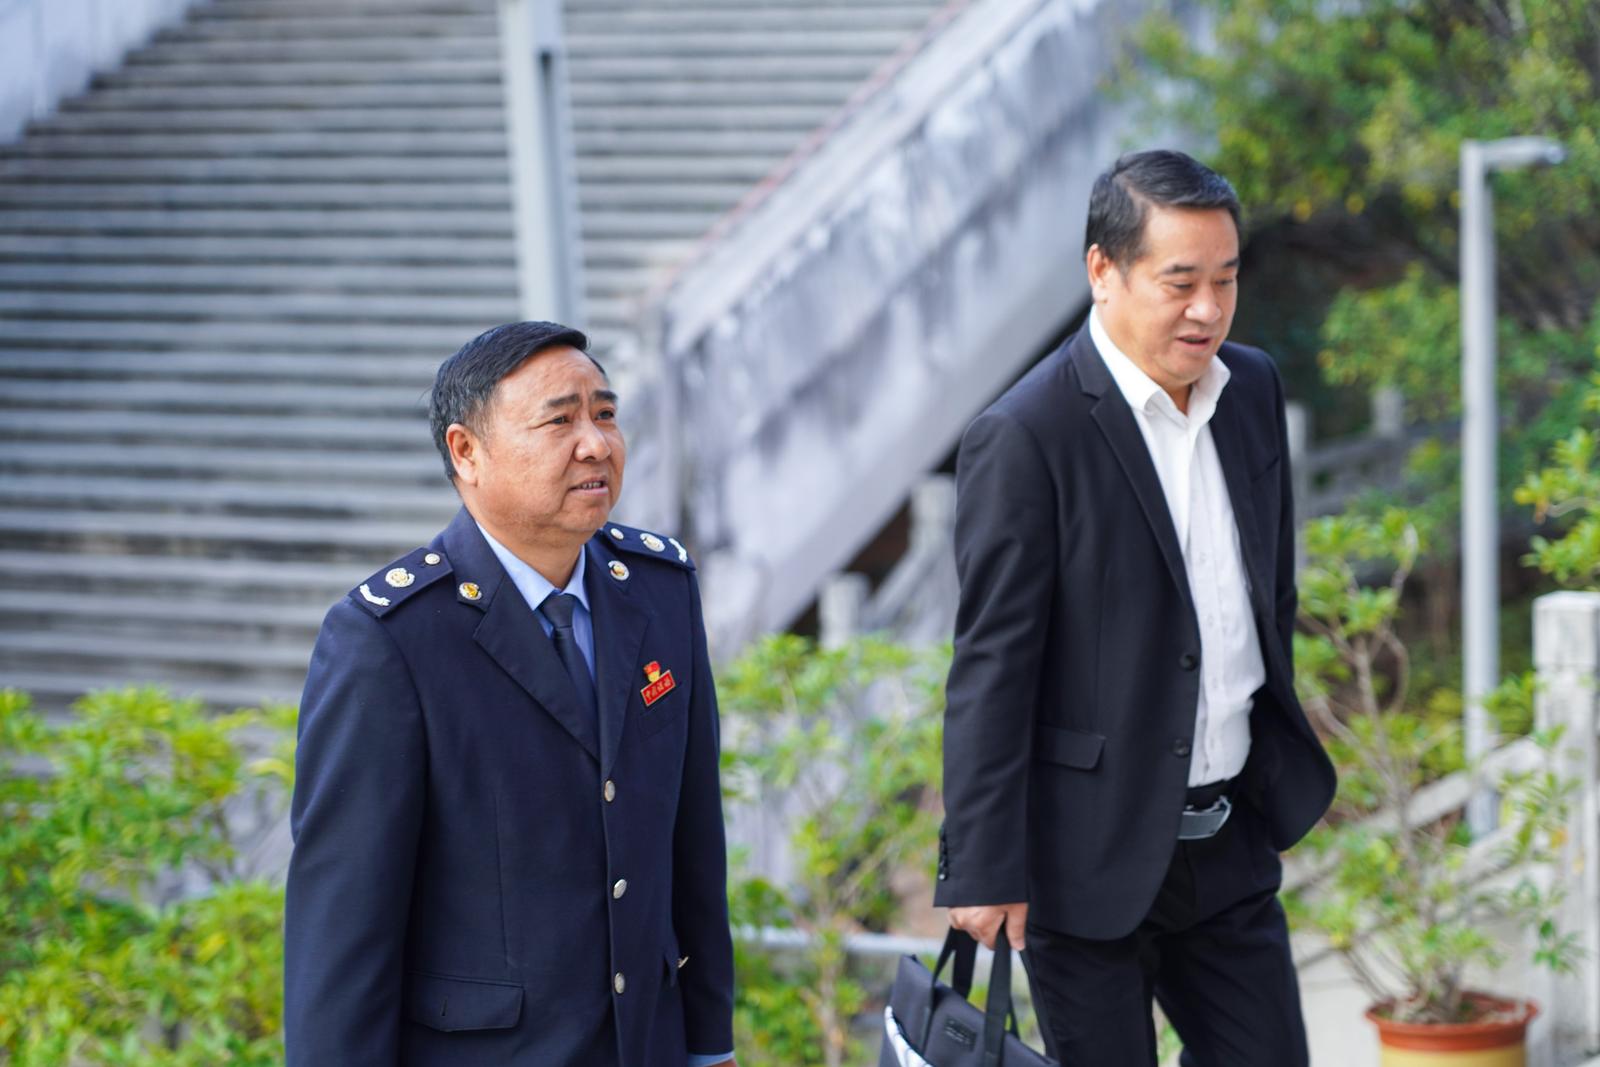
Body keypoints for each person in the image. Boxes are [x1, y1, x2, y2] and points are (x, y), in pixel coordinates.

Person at [934, 150, 1337, 1065]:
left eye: (1226, 279)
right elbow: (992, 665)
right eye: (1180, 282)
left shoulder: (1252, 389)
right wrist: (986, 865)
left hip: (1228, 840)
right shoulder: (1026, 434)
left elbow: (1268, 590)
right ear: (1102, 270)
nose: (1208, 309)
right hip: (1088, 858)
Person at [284, 321, 736, 1067]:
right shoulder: (391, 639)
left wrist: (710, 1047)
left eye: (605, 414)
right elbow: (342, 930)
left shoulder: (659, 589)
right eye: (559, 421)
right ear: (467, 451)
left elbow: (694, 843)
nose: (595, 444)